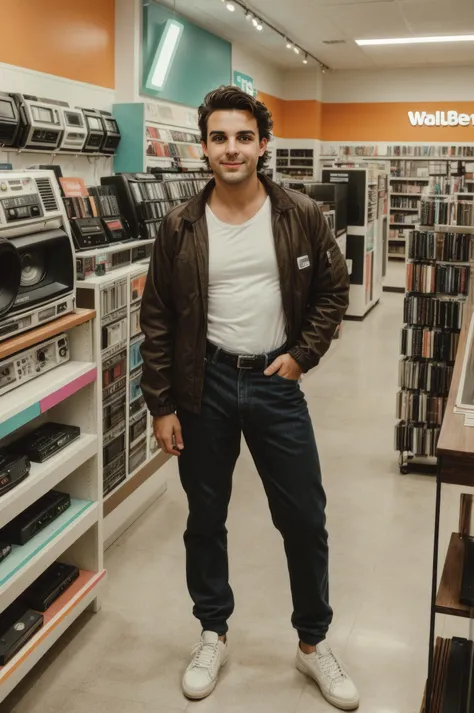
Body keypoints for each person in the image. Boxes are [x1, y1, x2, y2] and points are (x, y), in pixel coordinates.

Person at [139, 85, 359, 711]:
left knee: (304, 518)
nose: (230, 149)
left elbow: (333, 293)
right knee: (205, 518)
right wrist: (161, 405)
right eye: (218, 137)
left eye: (242, 137)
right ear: (203, 147)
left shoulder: (301, 215)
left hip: (275, 385)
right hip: (202, 387)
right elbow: (156, 318)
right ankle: (212, 632)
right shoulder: (179, 225)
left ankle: (313, 644)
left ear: (263, 144)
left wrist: (302, 355)